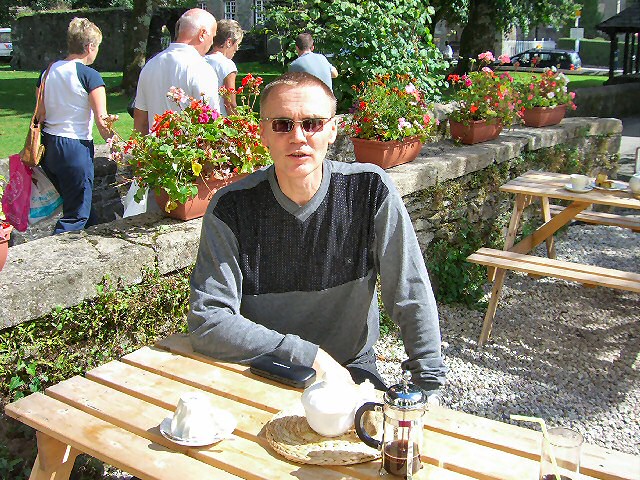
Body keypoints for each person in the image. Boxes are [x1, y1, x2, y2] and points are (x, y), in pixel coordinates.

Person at [187, 72, 447, 400]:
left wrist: (427, 382)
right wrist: (307, 356)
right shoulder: (231, 208)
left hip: (350, 367)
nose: (298, 137)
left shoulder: (369, 191)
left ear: (333, 130)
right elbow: (208, 320)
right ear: (263, 133)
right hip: (263, 369)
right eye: (282, 124)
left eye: (312, 123)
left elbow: (410, 291)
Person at [39, 17, 113, 235]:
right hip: (75, 148)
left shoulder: (47, 72)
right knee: (76, 215)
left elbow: (40, 114)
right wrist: (116, 143)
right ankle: (56, 253)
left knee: (82, 206)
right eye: (97, 47)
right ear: (89, 47)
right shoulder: (90, 76)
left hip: (49, 146)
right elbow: (102, 121)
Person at [133, 8, 219, 134]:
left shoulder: (150, 65)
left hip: (155, 145)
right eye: (212, 37)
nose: (211, 43)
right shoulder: (202, 69)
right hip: (190, 145)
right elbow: (211, 123)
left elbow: (140, 121)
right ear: (202, 34)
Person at [205, 19, 243, 116]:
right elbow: (230, 103)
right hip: (220, 119)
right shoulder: (227, 64)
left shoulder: (201, 59)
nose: (237, 49)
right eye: (237, 44)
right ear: (229, 42)